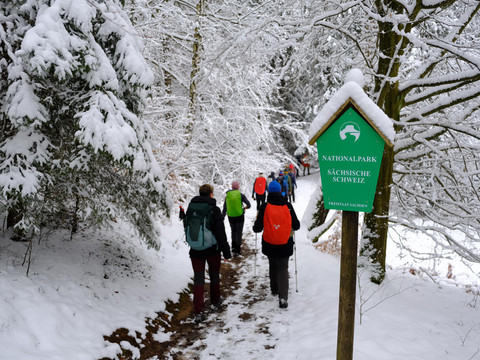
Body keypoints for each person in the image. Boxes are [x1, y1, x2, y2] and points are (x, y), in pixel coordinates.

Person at [185, 184, 232, 323]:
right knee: (214, 275)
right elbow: (220, 232)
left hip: (195, 250)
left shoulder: (191, 207)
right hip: (212, 250)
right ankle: (215, 301)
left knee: (198, 279)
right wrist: (226, 251)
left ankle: (199, 311)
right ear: (211, 194)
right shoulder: (214, 209)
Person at [253, 181, 300, 309]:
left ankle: (274, 289)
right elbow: (297, 225)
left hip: (269, 243)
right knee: (283, 268)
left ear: (269, 191)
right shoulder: (288, 205)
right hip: (285, 243)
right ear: (280, 191)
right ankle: (283, 297)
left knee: (273, 264)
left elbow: (257, 228)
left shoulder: (264, 206)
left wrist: (256, 227)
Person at [223, 181, 251, 256]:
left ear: (232, 187)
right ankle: (238, 249)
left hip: (231, 216)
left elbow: (225, 207)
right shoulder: (241, 195)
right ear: (238, 187)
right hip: (240, 216)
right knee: (239, 232)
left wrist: (222, 216)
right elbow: (249, 205)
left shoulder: (227, 195)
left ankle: (233, 247)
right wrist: (244, 208)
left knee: (233, 231)